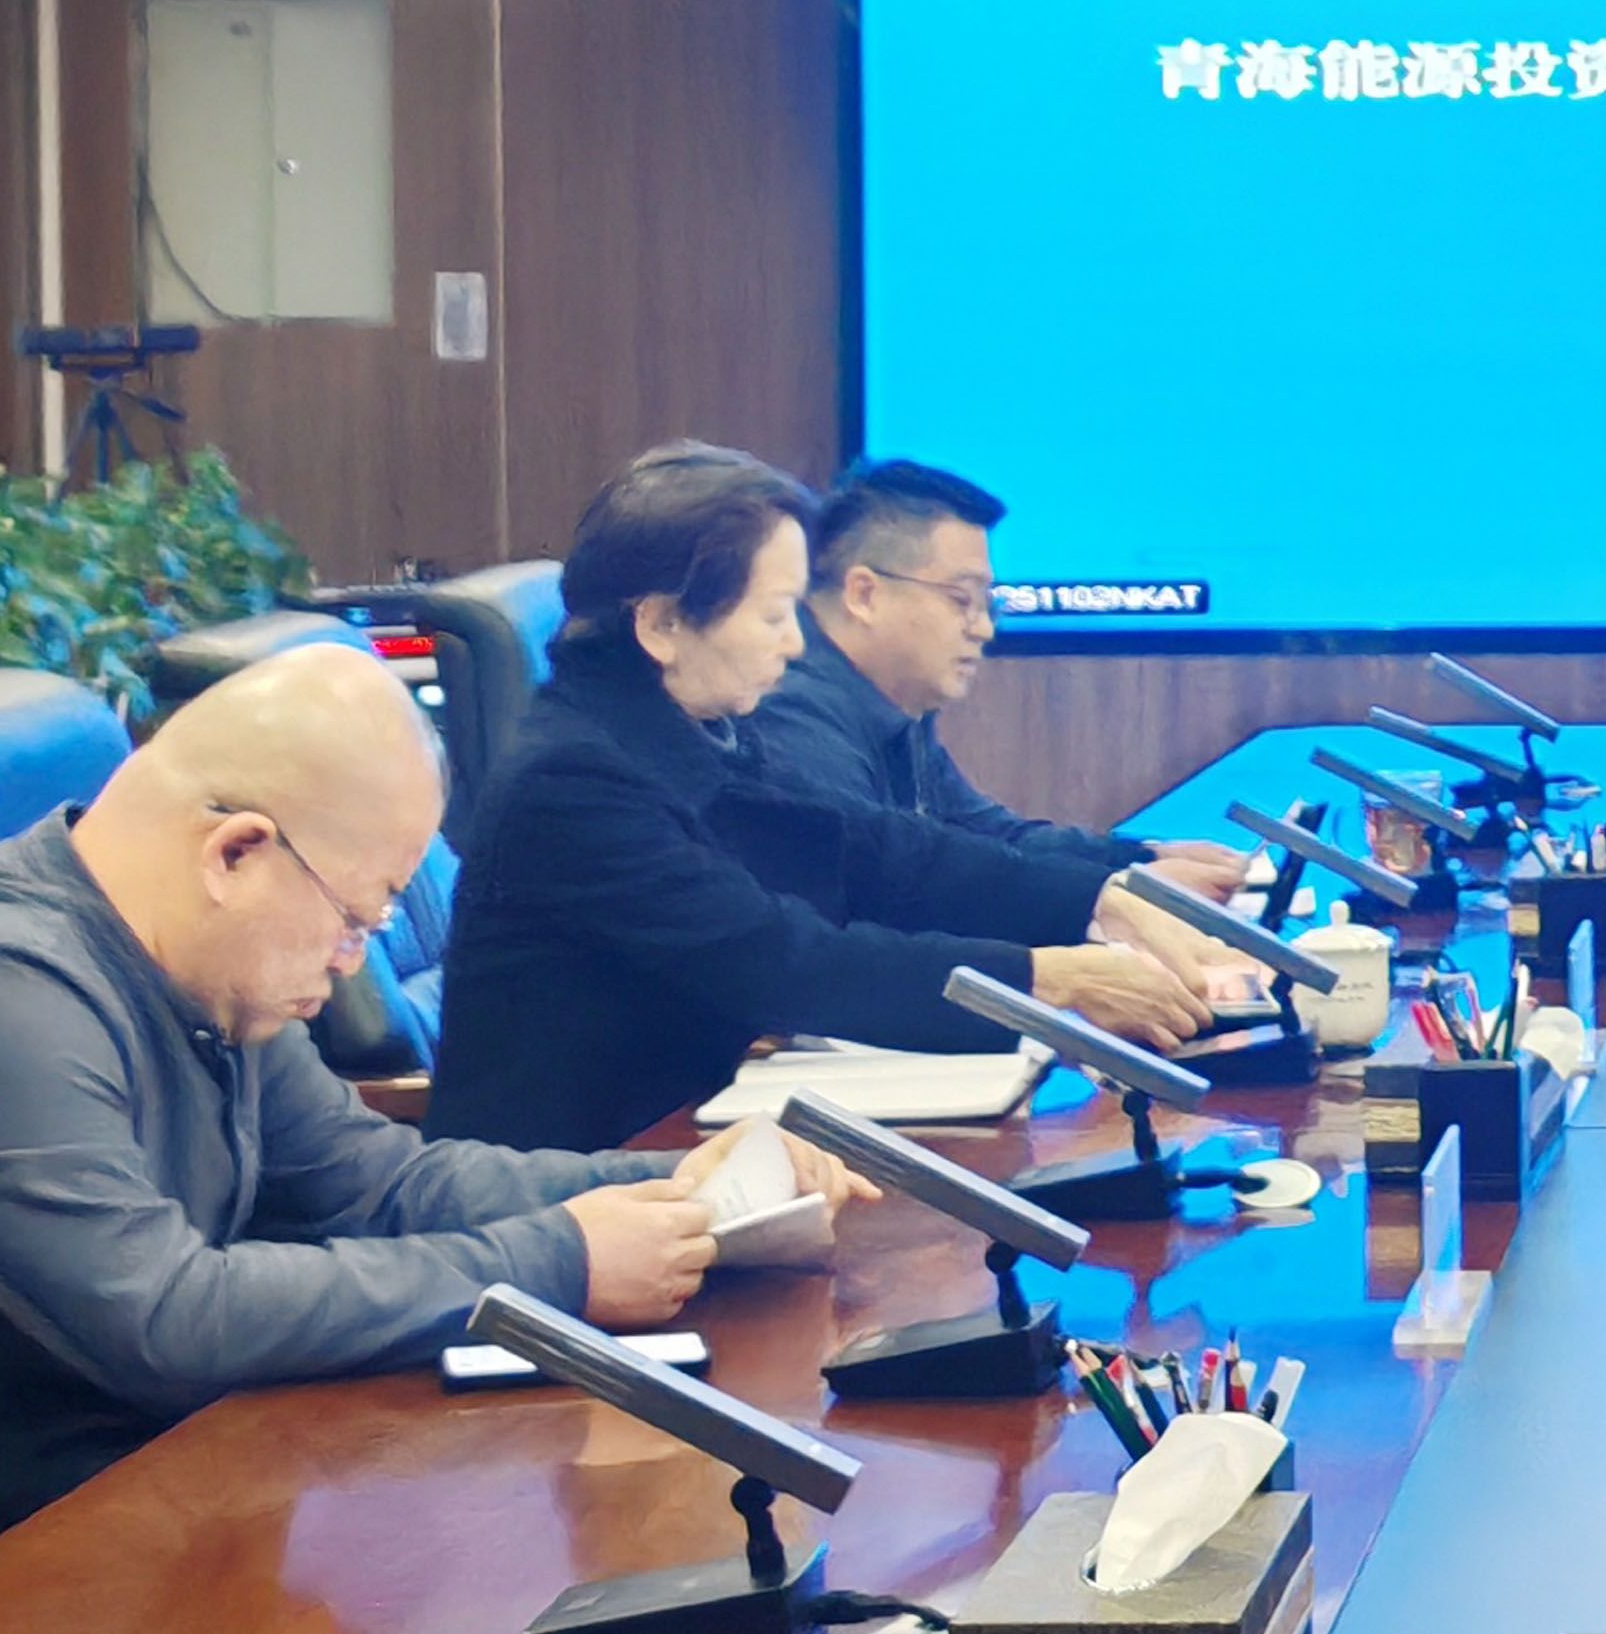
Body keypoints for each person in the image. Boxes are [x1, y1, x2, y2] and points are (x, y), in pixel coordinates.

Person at [0, 644, 766, 1567]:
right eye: (354, 917)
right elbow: (166, 1323)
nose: (354, 962)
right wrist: (556, 1261)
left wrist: (680, 1191)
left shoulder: (205, 976)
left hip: (54, 1511)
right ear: (236, 853)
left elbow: (377, 1186)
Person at [429, 444, 1215, 1149]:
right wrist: (1051, 980)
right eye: (774, 615)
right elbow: (784, 962)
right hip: (577, 1189)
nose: (797, 642)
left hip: (687, 1148)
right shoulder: (576, 781)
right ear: (664, 624)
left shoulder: (687, 724)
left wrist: (1094, 897)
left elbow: (875, 847)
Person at [740, 454, 1246, 893]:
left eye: (989, 604)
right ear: (864, 594)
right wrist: (1102, 899)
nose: (983, 629)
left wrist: (1142, 862)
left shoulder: (893, 705)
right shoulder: (791, 715)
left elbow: (989, 838)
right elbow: (892, 894)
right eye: (962, 600)